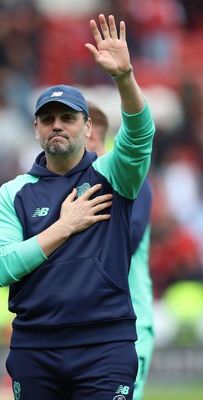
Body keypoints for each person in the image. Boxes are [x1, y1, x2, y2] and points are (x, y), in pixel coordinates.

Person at [0, 14, 155, 400]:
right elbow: (0, 266)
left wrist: (124, 76)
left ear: (88, 127)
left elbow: (140, 134)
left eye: (67, 118)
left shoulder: (112, 175)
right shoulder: (13, 193)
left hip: (105, 347)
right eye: (47, 119)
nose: (57, 125)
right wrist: (63, 226)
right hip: (34, 348)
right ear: (36, 130)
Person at [87, 102, 154, 400]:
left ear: (89, 132)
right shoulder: (69, 189)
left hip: (129, 321)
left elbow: (122, 244)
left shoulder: (130, 182)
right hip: (83, 325)